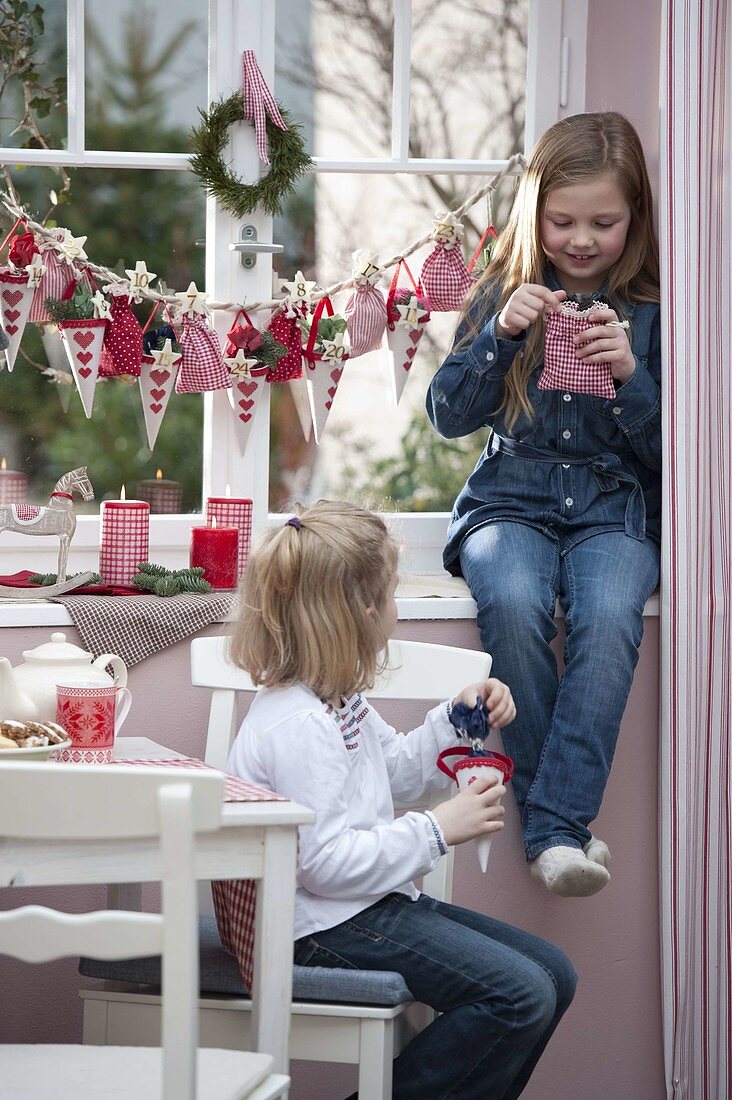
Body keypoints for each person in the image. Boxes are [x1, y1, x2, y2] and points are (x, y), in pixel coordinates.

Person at [227, 500, 576, 1100]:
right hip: (317, 924)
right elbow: (325, 864)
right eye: (389, 595)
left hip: (359, 906)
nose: (395, 610)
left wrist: (455, 718)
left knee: (554, 976)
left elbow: (394, 771)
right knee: (519, 994)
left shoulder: (336, 701)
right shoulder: (296, 725)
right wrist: (438, 831)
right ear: (356, 612)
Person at [426, 111, 661, 898]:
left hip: (610, 508)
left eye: (604, 221)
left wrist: (634, 379)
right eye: (563, 221)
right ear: (536, 215)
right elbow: (448, 417)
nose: (583, 240)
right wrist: (498, 335)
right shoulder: (502, 289)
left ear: (637, 217)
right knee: (517, 600)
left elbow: (678, 462)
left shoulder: (658, 311)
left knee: (610, 617)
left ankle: (552, 828)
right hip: (510, 503)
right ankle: (561, 833)